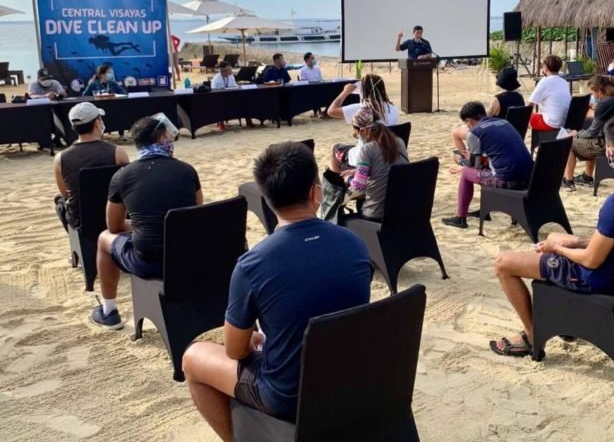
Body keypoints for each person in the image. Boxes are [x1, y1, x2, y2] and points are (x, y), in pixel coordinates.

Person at [181, 142, 371, 439]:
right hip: (352, 379)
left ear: (267, 200)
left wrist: (256, 339)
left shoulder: (253, 264)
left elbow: (234, 350)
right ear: (315, 192)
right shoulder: (355, 244)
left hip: (288, 395)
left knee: (193, 358)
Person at [491, 112, 614, 356]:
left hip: (597, 279)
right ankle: (562, 320)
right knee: (558, 236)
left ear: (611, 153)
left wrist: (558, 249)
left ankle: (533, 336)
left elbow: (590, 261)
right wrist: (577, 242)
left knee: (504, 263)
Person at [90, 115, 203, 330]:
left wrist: (142, 225)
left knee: (104, 238)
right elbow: (194, 215)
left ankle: (109, 311)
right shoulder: (187, 170)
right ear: (161, 138)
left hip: (149, 261)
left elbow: (113, 226)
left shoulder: (123, 176)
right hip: (189, 256)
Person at [442, 102, 533, 229]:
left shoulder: (475, 132)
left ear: (469, 120)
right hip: (530, 177)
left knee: (466, 173)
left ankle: (460, 218)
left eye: (466, 123)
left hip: (508, 180)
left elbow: (474, 165)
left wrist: (460, 161)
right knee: (484, 168)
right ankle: (485, 211)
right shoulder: (504, 123)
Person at [53, 102, 130, 232]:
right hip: (116, 215)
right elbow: (127, 186)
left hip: (82, 220)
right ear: (97, 123)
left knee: (59, 200)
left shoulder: (60, 158)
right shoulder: (117, 152)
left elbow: (65, 193)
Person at [562, 75, 614, 191]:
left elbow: (591, 133)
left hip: (610, 145)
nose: (592, 96)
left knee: (569, 142)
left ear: (599, 91)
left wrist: (576, 134)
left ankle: (568, 181)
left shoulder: (603, 105)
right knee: (590, 141)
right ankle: (587, 177)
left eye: (593, 93)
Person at [339, 107, 409, 221]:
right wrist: (359, 171)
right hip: (400, 209)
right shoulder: (400, 143)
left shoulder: (367, 150)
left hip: (376, 213)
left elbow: (358, 186)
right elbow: (389, 168)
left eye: (355, 131)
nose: (354, 134)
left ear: (363, 131)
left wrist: (348, 178)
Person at [328, 74, 400, 171]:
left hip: (365, 155)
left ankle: (340, 182)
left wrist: (345, 92)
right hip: (389, 151)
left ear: (363, 90)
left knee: (334, 148)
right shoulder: (394, 108)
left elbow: (331, 111)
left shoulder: (362, 109)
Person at [451, 67, 525, 157]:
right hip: (517, 134)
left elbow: (485, 118)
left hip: (495, 135)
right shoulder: (520, 97)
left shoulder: (498, 99)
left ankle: (467, 158)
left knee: (456, 132)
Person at [528, 55, 570, 131]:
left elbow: (531, 104)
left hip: (550, 123)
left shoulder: (544, 81)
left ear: (546, 67)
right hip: (564, 122)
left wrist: (526, 118)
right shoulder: (564, 82)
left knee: (521, 117)